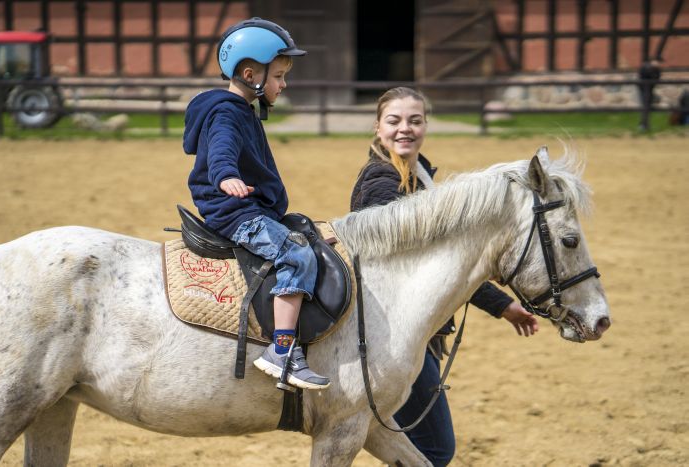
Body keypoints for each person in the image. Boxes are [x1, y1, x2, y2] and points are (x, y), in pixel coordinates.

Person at [350, 87, 539, 466]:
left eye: (415, 121)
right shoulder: (381, 186)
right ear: (377, 127)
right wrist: (501, 305)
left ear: (425, 125)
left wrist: (503, 306)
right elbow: (440, 264)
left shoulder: (419, 177)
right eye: (394, 121)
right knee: (434, 450)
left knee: (418, 446)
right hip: (391, 335)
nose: (405, 129)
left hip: (416, 331)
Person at [182, 18, 329, 390]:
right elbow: (221, 149)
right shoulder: (227, 112)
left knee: (307, 234)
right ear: (250, 73)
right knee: (296, 257)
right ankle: (281, 352)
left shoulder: (243, 108)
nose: (283, 84)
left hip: (252, 209)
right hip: (235, 213)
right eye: (279, 76)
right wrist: (225, 176)